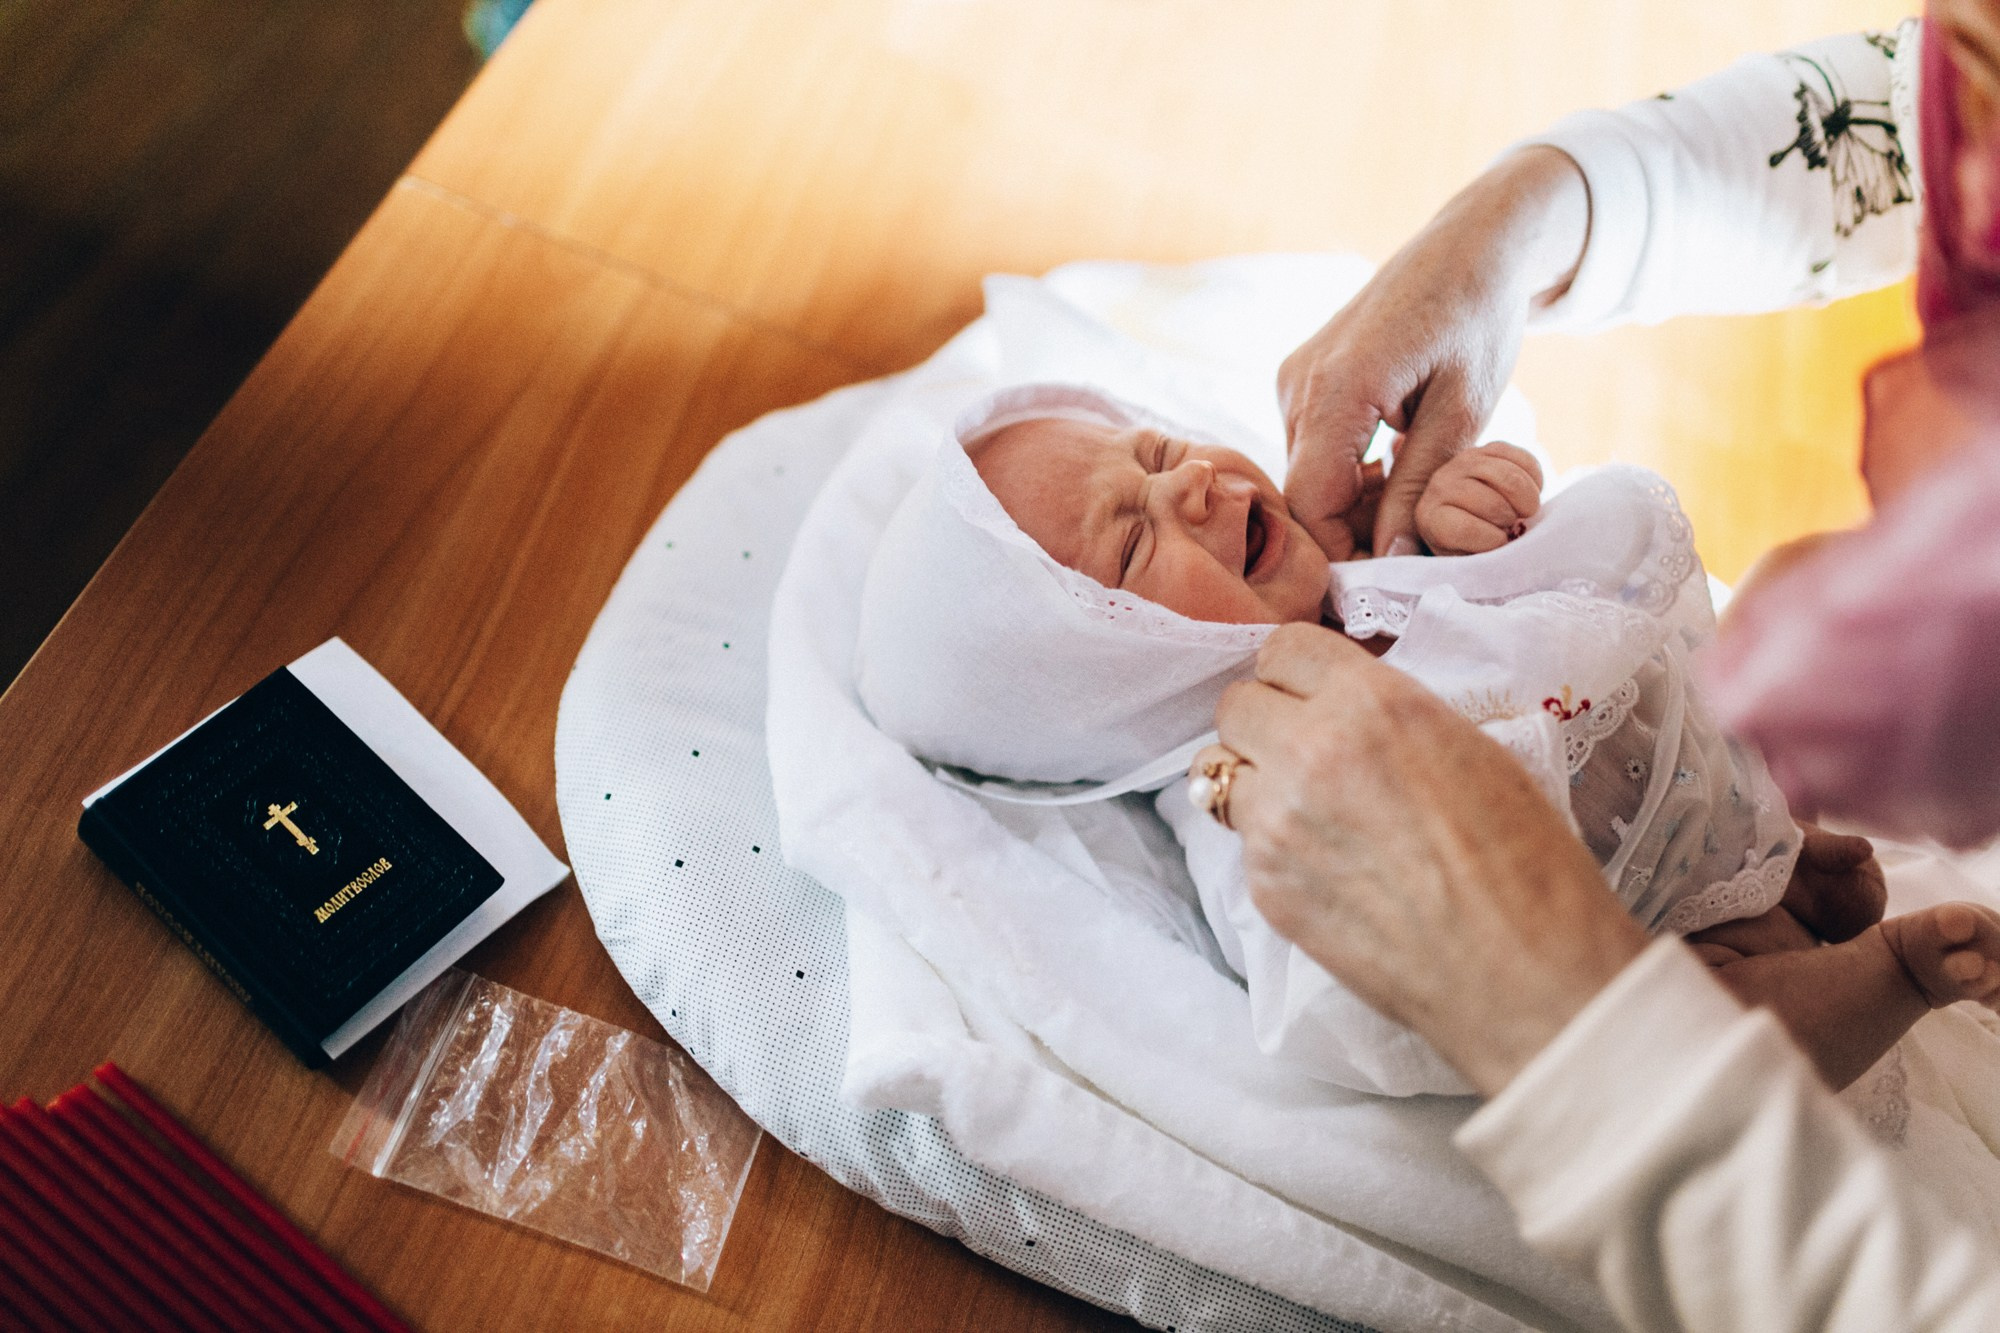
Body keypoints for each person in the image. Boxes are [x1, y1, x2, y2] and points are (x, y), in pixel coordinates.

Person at [1201, 10, 2000, 1329]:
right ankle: (1864, 953)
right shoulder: (1238, 769)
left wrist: (1557, 1010)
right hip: (1734, 846)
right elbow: (1909, 121)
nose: (1175, 476)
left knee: (1732, 1003)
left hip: (1686, 943)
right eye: (1116, 534)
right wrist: (1531, 222)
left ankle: (1880, 967)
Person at [852, 378, 2000, 1102]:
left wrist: (1476, 514)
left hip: (1700, 795)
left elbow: (1552, 590)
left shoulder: (1361, 560)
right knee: (1701, 1051)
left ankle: (1791, 871)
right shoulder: (1253, 799)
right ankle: (1883, 972)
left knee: (1774, 667)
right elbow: (1354, 998)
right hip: (1637, 943)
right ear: (1102, 689)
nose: (1194, 483)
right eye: (1129, 547)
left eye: (1156, 456)